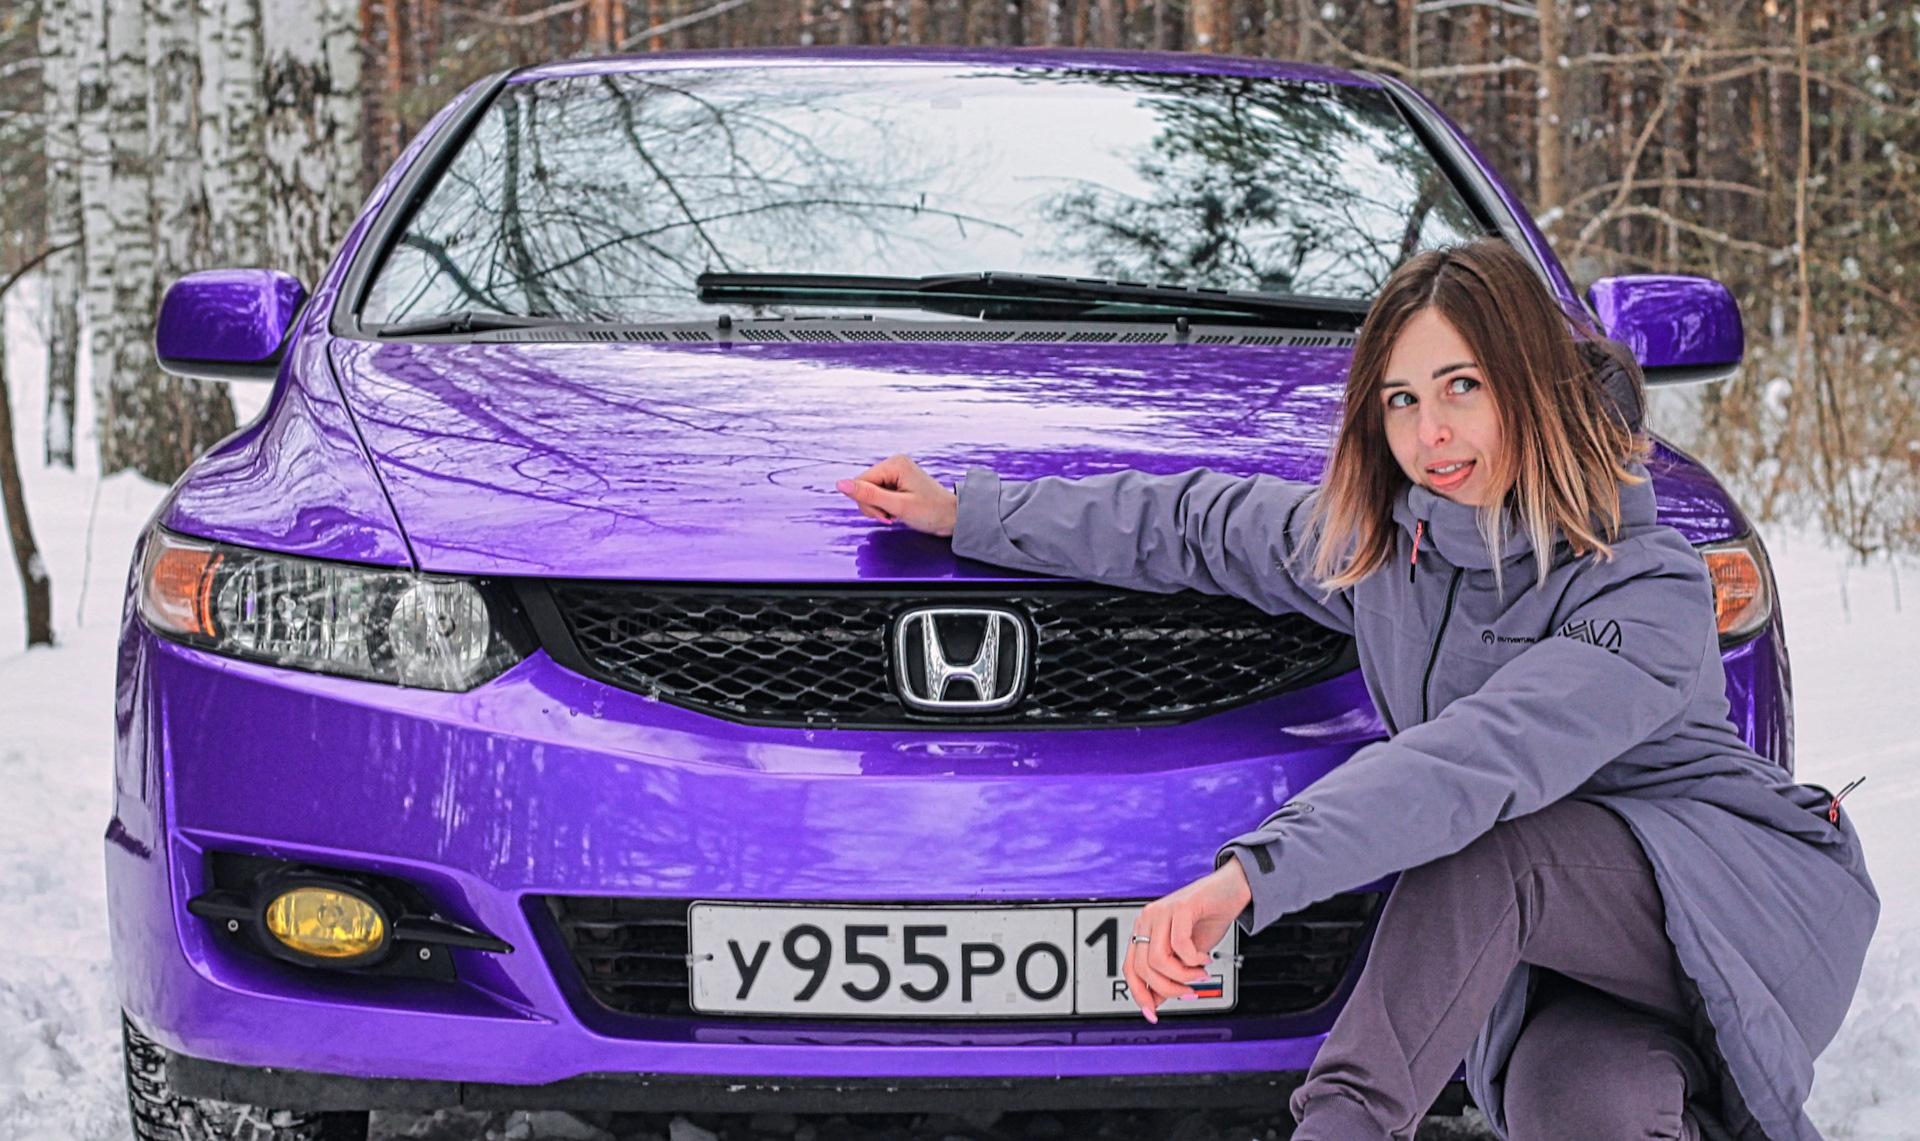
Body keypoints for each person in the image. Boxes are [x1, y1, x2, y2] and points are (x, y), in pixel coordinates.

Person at [834, 238, 1876, 1141]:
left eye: (1464, 386)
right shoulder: (1385, 551)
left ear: (1532, 382)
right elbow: (1193, 521)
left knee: (1491, 847)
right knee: (1581, 1104)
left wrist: (1247, 878)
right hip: (1571, 964)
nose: (1431, 433)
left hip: (1735, 908)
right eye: (1402, 400)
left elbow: (1478, 756)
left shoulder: (1644, 584)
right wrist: (972, 512)